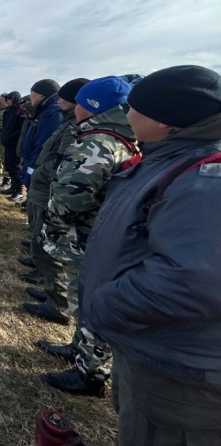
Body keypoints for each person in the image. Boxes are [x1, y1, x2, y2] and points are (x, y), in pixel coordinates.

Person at [79, 65, 221, 442]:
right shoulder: (169, 160)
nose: (126, 115)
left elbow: (193, 281)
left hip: (181, 375)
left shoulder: (205, 180)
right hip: (152, 350)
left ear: (162, 119)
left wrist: (103, 305)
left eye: (133, 108)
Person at [36, 76, 137, 397]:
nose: (75, 106)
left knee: (90, 303)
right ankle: (79, 349)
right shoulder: (116, 137)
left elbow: (69, 200)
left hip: (86, 238)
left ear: (93, 107)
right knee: (85, 300)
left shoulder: (96, 143)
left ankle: (90, 374)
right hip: (99, 235)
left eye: (81, 101)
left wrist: (50, 225)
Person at [23, 78, 89, 318]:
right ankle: (53, 293)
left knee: (49, 243)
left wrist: (37, 171)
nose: (60, 100)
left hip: (51, 191)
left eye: (65, 97)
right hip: (44, 187)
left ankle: (58, 304)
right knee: (42, 240)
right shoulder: (67, 120)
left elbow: (62, 160)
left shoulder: (66, 122)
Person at [0, 92, 24, 194]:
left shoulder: (20, 111)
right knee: (9, 165)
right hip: (8, 143)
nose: (7, 101)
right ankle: (13, 187)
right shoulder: (8, 111)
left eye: (9, 100)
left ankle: (18, 190)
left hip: (15, 144)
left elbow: (22, 129)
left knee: (15, 166)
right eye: (7, 99)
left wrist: (11, 136)